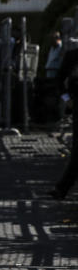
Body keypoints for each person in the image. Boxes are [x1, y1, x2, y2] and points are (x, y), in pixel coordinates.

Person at [50, 47, 78, 200]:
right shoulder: (72, 55)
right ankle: (62, 188)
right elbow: (59, 79)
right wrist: (68, 100)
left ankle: (62, 188)